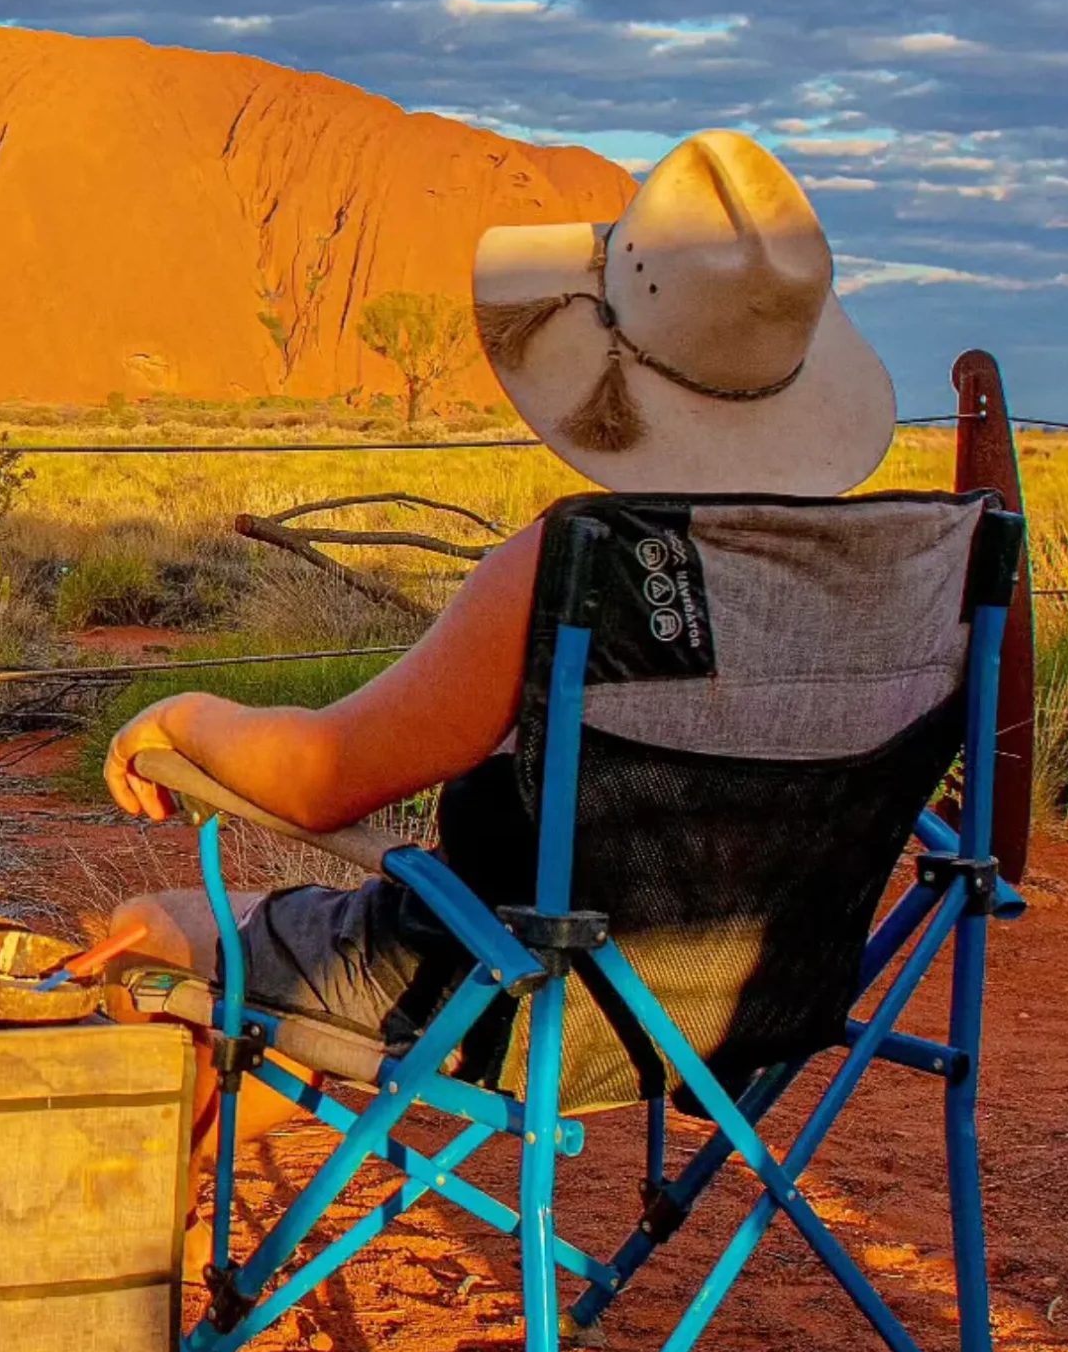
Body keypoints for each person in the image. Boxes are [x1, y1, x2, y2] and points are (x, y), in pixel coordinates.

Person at [103, 127, 895, 1071]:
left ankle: (178, 1222)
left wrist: (184, 715)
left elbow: (322, 781)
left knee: (156, 931)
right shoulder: (872, 584)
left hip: (518, 1000)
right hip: (753, 1009)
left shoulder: (574, 566)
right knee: (313, 962)